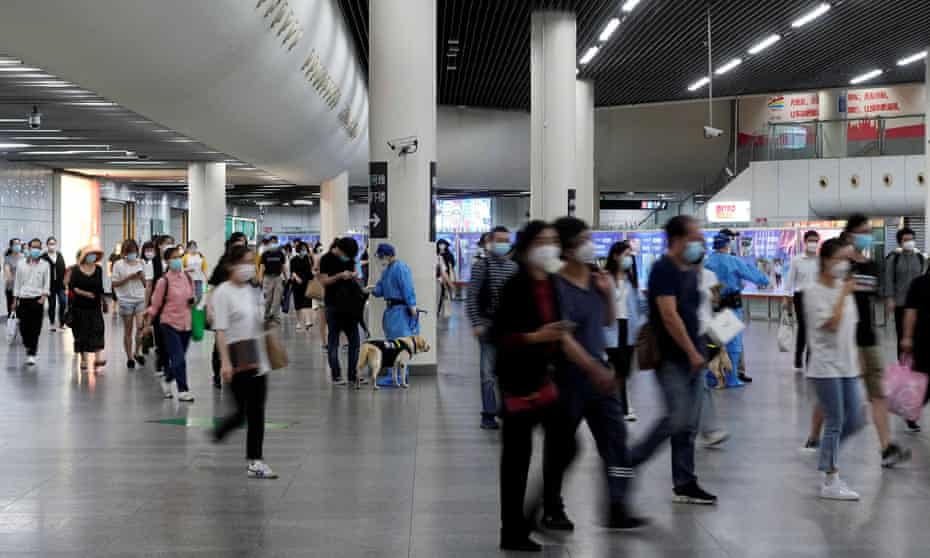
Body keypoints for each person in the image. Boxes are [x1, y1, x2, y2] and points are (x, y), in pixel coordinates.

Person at [493, 221, 620, 552]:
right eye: (543, 241)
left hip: (545, 379)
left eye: (553, 240)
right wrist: (538, 336)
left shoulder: (551, 283)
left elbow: (568, 329)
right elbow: (501, 335)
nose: (549, 247)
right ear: (527, 249)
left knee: (567, 443)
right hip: (517, 381)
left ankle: (535, 511)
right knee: (517, 459)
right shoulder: (516, 285)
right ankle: (513, 530)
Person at [543, 216, 645, 533]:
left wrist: (605, 294)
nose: (591, 245)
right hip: (569, 377)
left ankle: (617, 505)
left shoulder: (593, 278)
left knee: (615, 440)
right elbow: (563, 337)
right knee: (561, 446)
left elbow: (606, 322)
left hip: (599, 375)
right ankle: (551, 507)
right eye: (584, 239)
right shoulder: (556, 286)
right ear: (569, 248)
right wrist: (592, 368)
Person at [631, 215, 717, 505]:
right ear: (679, 239)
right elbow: (668, 315)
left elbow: (694, 313)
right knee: (678, 416)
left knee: (689, 425)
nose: (701, 241)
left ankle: (685, 482)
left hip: (695, 354)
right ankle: (631, 459)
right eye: (695, 236)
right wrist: (691, 352)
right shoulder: (663, 269)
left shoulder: (690, 270)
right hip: (672, 357)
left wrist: (702, 349)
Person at [804, 238, 867, 500]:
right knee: (836, 421)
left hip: (848, 364)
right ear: (827, 260)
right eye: (840, 259)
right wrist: (843, 294)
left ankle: (827, 457)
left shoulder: (846, 290)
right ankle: (830, 479)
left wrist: (859, 358)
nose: (845, 265)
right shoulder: (813, 292)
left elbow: (850, 328)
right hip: (825, 367)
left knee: (856, 420)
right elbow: (830, 325)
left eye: (847, 260)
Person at [211, 244, 278, 480]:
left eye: (252, 262)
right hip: (237, 355)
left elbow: (258, 319)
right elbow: (220, 330)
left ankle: (255, 461)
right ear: (231, 265)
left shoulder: (252, 290)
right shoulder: (222, 293)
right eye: (245, 262)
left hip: (257, 355)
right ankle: (220, 430)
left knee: (258, 411)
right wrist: (225, 363)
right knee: (241, 412)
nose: (250, 267)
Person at [466, 226, 518, 430]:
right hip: (488, 327)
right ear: (490, 242)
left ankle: (507, 408)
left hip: (509, 329)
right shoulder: (481, 266)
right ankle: (488, 413)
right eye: (500, 240)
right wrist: (477, 323)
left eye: (507, 240)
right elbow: (471, 296)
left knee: (507, 372)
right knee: (487, 374)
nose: (503, 244)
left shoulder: (514, 268)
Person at [704, 230, 769, 385]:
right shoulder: (733, 261)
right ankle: (732, 378)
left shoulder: (707, 262)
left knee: (713, 342)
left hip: (712, 307)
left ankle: (712, 378)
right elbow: (756, 277)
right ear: (728, 244)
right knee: (733, 344)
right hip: (731, 307)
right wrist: (764, 279)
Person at [145, 246, 196, 401]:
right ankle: (183, 390)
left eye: (179, 257)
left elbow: (193, 297)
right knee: (178, 357)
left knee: (180, 357)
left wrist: (194, 302)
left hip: (186, 323)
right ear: (167, 261)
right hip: (169, 323)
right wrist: (147, 325)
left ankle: (168, 379)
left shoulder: (187, 277)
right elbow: (155, 306)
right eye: (174, 258)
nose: (177, 260)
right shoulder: (163, 281)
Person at [603, 240, 643, 422]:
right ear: (615, 256)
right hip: (610, 328)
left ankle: (621, 405)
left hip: (628, 328)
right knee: (616, 369)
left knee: (624, 371)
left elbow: (639, 305)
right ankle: (622, 407)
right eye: (625, 255)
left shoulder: (631, 280)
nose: (628, 259)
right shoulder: (605, 278)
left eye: (630, 255)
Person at [319, 237, 366, 386]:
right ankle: (336, 375)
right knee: (333, 341)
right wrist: (340, 276)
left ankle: (353, 374)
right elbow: (324, 281)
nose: (347, 257)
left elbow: (355, 276)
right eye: (346, 254)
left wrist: (354, 277)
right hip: (333, 305)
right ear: (339, 249)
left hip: (350, 305)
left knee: (355, 341)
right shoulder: (326, 259)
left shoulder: (350, 258)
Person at [207, 232, 249, 388]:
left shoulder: (247, 266)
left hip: (241, 312)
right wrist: (210, 307)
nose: (240, 248)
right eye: (238, 244)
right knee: (220, 342)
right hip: (223, 309)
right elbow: (212, 286)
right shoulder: (223, 264)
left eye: (243, 244)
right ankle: (217, 373)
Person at [695, 255, 730, 447]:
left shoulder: (709, 275)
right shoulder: (681, 275)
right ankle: (707, 429)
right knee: (699, 383)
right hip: (689, 334)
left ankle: (706, 429)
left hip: (708, 333)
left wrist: (717, 296)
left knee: (700, 381)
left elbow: (714, 304)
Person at [883, 226, 925, 359]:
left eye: (912, 239)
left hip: (919, 303)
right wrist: (890, 298)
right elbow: (888, 279)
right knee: (902, 336)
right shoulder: (894, 259)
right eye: (906, 240)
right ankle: (903, 366)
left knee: (918, 335)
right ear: (900, 242)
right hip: (901, 303)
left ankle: (916, 363)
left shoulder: (920, 258)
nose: (910, 242)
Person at [899, 261, 930, 432]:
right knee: (923, 380)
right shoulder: (919, 283)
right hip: (924, 339)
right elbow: (910, 311)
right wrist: (907, 337)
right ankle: (911, 411)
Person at [784, 231, 820, 371]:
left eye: (816, 241)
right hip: (801, 296)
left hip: (817, 297)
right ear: (805, 242)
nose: (813, 243)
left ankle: (810, 359)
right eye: (811, 240)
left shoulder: (820, 260)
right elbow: (790, 281)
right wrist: (787, 300)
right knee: (804, 328)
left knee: (814, 328)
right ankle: (798, 358)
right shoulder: (797, 260)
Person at [67, 246, 107, 373]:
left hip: (95, 306)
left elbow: (100, 287)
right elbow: (72, 287)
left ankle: (98, 359)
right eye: (90, 255)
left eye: (95, 255)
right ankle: (83, 359)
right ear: (84, 256)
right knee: (81, 332)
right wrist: (85, 294)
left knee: (98, 330)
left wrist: (103, 300)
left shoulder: (99, 269)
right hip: (79, 307)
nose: (93, 257)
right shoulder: (76, 270)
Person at [110, 239, 148, 370]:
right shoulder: (118, 265)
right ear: (124, 253)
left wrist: (141, 276)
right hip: (125, 301)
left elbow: (146, 284)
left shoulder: (141, 263)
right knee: (128, 330)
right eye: (129, 252)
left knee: (140, 327)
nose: (132, 254)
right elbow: (114, 283)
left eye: (134, 251)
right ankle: (129, 357)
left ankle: (137, 352)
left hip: (140, 299)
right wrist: (128, 278)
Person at [12, 239, 50, 366]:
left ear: (41, 249)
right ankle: (28, 345)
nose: (35, 250)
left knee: (36, 328)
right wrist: (15, 300)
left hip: (37, 299)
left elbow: (47, 282)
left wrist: (43, 297)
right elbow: (17, 282)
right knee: (24, 327)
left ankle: (32, 353)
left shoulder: (45, 265)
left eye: (38, 248)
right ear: (28, 248)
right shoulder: (21, 264)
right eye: (33, 247)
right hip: (23, 299)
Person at [369, 243, 418, 338]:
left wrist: (412, 305)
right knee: (391, 341)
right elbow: (381, 289)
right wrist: (372, 289)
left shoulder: (400, 268)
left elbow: (407, 288)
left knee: (401, 342)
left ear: (389, 255)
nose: (380, 259)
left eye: (382, 256)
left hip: (401, 312)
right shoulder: (386, 271)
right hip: (390, 312)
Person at [258, 235, 286, 327]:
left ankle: (275, 317)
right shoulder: (265, 254)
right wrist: (260, 279)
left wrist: (285, 277)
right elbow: (262, 267)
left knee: (277, 299)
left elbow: (283, 266)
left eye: (275, 242)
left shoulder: (280, 253)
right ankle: (266, 315)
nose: (274, 244)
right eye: (272, 242)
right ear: (269, 244)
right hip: (268, 278)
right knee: (268, 299)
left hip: (278, 277)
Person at [42, 236, 67, 332]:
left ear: (56, 244)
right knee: (52, 304)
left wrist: (65, 283)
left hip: (60, 285)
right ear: (47, 245)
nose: (52, 245)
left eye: (53, 243)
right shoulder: (44, 257)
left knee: (63, 302)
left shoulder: (59, 255)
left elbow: (64, 269)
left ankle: (61, 323)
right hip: (50, 285)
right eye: (50, 244)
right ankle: (52, 323)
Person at [289, 241, 315, 331]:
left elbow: (311, 271)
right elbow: (292, 271)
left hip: (307, 283)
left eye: (305, 249)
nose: (304, 251)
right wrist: (296, 278)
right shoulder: (293, 260)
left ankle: (308, 321)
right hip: (297, 284)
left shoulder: (308, 259)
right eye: (302, 249)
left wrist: (311, 256)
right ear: (298, 250)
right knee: (298, 304)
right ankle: (299, 322)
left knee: (307, 303)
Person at [312, 242, 328, 348]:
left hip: (329, 293)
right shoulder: (320, 258)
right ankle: (324, 342)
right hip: (323, 292)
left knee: (325, 319)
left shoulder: (322, 258)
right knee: (323, 319)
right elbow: (315, 273)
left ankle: (325, 342)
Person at [4, 238, 23, 317]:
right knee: (12, 312)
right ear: (11, 246)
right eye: (15, 244)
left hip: (24, 290)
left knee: (22, 313)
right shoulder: (8, 258)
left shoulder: (25, 257)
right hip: (12, 289)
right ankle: (12, 328)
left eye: (19, 244)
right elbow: (8, 275)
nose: (17, 246)